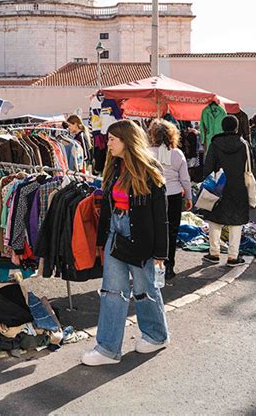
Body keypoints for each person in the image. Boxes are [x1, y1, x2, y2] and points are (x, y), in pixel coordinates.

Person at [81, 120, 169, 366]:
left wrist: (161, 252)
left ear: (126, 140)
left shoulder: (149, 168)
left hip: (141, 235)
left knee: (145, 290)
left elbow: (160, 216)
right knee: (112, 291)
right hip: (115, 233)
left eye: (112, 139)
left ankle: (156, 335)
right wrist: (102, 239)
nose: (107, 143)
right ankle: (107, 348)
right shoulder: (113, 166)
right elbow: (108, 207)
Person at [202, 115, 250, 266]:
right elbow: (249, 167)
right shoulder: (243, 144)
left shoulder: (215, 144)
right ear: (236, 127)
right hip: (238, 186)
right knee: (236, 222)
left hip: (218, 186)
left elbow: (208, 167)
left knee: (215, 219)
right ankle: (233, 256)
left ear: (222, 127)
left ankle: (214, 253)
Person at [148, 119, 193, 280]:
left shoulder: (147, 152)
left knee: (152, 231)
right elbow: (185, 179)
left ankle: (153, 267)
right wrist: (189, 197)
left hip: (152, 195)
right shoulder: (177, 153)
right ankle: (169, 267)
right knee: (171, 232)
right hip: (173, 195)